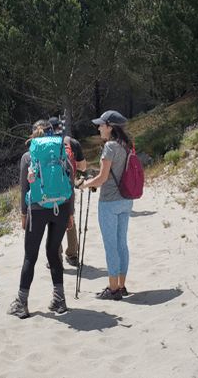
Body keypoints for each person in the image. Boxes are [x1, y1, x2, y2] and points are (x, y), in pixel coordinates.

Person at [8, 121, 73, 318]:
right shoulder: (61, 152)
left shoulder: (28, 156)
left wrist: (23, 214)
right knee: (54, 252)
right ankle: (59, 300)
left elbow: (24, 188)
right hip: (61, 206)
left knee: (30, 256)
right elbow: (69, 181)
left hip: (37, 209)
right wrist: (70, 212)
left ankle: (21, 303)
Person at [79, 110, 134, 301]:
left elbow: (102, 178)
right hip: (126, 199)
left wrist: (85, 184)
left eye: (101, 125)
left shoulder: (110, 146)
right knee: (121, 244)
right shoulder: (126, 144)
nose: (99, 128)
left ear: (110, 127)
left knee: (111, 246)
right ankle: (121, 285)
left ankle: (113, 289)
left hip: (110, 202)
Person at [48, 117, 87, 267]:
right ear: (61, 127)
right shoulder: (72, 143)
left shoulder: (44, 145)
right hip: (68, 188)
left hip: (50, 189)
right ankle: (72, 255)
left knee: (52, 222)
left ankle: (55, 257)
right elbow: (83, 167)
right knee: (70, 218)